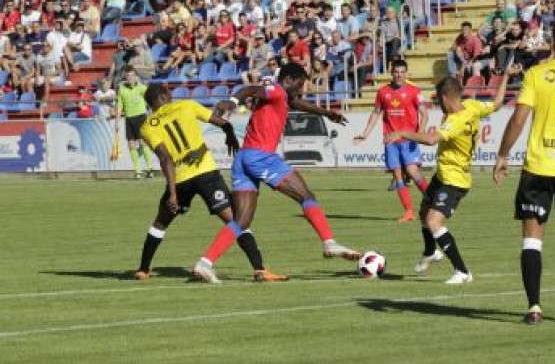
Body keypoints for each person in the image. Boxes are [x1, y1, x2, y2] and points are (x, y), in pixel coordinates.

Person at [192, 63, 361, 283]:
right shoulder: (276, 90)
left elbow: (295, 102)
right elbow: (251, 90)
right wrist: (233, 102)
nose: (300, 90)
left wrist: (326, 113)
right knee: (306, 196)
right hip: (261, 157)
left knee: (241, 221)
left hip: (242, 159)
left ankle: (205, 263)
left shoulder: (281, 96)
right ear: (289, 79)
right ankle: (329, 242)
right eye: (299, 84)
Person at [135, 83, 287, 282]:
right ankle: (260, 269)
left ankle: (143, 270)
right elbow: (222, 122)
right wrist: (230, 135)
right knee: (236, 220)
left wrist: (172, 193)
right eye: (169, 93)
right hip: (206, 174)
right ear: (163, 96)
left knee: (160, 224)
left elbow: (166, 159)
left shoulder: (147, 126)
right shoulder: (187, 105)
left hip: (180, 180)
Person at [493, 17, 555, 325]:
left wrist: (502, 155)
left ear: (552, 40)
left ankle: (534, 307)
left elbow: (519, 119)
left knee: (532, 239)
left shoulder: (537, 74)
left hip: (538, 165)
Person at [387, 64, 521, 284]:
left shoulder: (455, 121)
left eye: (439, 99)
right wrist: (505, 75)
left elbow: (431, 140)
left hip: (454, 179)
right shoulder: (472, 106)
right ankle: (431, 252)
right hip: (442, 175)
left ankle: (462, 272)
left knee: (433, 221)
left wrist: (402, 133)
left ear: (447, 98)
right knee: (423, 213)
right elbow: (497, 104)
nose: (438, 104)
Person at [354, 59, 428, 222]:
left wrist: (420, 132)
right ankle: (408, 212)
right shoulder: (382, 92)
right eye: (396, 72)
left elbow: (424, 113)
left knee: (413, 171)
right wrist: (365, 134)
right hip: (390, 140)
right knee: (398, 175)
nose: (399, 75)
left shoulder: (414, 91)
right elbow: (376, 113)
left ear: (406, 73)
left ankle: (432, 202)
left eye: (402, 72)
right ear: (391, 72)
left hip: (408, 139)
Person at [116, 65, 153, 179]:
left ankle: (149, 169)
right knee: (131, 145)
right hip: (129, 119)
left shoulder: (142, 88)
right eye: (128, 76)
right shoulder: (122, 89)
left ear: (136, 76)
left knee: (143, 143)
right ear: (125, 77)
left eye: (132, 75)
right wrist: (117, 120)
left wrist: (151, 115)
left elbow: (150, 101)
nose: (130, 78)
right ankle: (138, 171)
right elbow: (119, 106)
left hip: (141, 118)